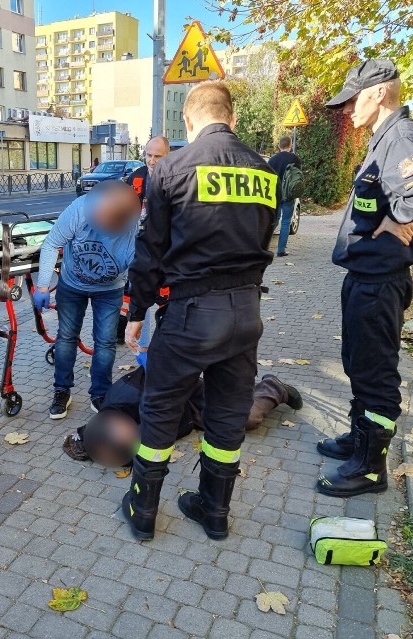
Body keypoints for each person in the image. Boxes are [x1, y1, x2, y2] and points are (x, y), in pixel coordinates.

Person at [122, 81, 278, 541]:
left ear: (189, 121)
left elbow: (150, 249)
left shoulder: (171, 168)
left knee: (161, 408)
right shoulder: (264, 171)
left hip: (192, 314)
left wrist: (137, 310)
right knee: (228, 411)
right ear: (231, 118)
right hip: (247, 313)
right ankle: (214, 511)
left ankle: (143, 512)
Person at [317, 60, 413, 498]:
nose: (348, 110)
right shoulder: (383, 139)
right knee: (358, 364)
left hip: (380, 280)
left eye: (353, 99)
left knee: (376, 373)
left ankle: (371, 468)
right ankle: (359, 441)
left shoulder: (400, 136)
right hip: (365, 275)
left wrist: (394, 220)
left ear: (377, 93)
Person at [33, 181, 141, 419]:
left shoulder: (133, 228)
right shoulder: (80, 209)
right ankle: (62, 390)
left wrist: (138, 308)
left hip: (110, 289)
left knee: (105, 342)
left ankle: (101, 393)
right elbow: (52, 243)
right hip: (72, 285)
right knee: (66, 338)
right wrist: (42, 285)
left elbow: (139, 268)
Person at [63, 365, 303, 467]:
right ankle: (239, 393)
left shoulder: (128, 392)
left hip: (188, 394)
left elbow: (167, 368)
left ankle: (274, 387)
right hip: (185, 415)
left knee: (245, 419)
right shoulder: (108, 432)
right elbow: (86, 439)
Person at [117, 136, 171, 346]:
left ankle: (164, 340)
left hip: (164, 250)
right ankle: (123, 331)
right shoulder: (136, 178)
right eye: (149, 155)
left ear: (168, 156)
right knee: (131, 291)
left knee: (165, 296)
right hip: (136, 246)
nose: (152, 160)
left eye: (158, 156)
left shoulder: (175, 179)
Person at [267, 135, 302, 257]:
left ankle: (265, 246)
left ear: (279, 146)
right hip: (288, 195)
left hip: (275, 195)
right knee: (286, 222)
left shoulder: (272, 160)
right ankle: (281, 250)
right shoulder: (295, 159)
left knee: (273, 220)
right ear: (290, 145)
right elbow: (298, 177)